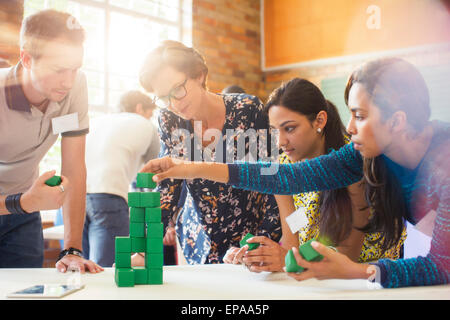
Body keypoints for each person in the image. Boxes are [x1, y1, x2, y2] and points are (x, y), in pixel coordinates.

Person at [141, 57, 449, 288]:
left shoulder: (442, 165)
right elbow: (284, 178)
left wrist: (357, 270)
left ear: (396, 122)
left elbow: (440, 265)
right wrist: (185, 168)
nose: (352, 126)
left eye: (361, 115)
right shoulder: (364, 155)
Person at [223, 78, 406, 272]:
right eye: (275, 131)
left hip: (369, 280)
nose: (280, 142)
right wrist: (261, 256)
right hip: (315, 280)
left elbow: (348, 254)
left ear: (320, 121)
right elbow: (291, 240)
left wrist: (289, 259)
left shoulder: (352, 161)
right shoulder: (283, 166)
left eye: (290, 128)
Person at [135, 40, 281, 265]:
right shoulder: (169, 119)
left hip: (249, 240)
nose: (175, 103)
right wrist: (144, 250)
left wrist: (265, 240)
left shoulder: (248, 110)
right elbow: (167, 187)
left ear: (199, 74)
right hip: (198, 241)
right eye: (164, 97)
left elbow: (271, 177)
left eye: (178, 89)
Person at [0, 9, 102, 273]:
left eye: (75, 68)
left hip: (23, 212)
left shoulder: (75, 84)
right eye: (58, 70)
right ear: (27, 58)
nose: (68, 81)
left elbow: (74, 169)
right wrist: (24, 202)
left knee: (26, 291)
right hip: (22, 202)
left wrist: (72, 250)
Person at [83, 90, 160, 267]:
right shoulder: (146, 126)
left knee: (82, 272)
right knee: (109, 271)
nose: (150, 118)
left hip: (73, 198)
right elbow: (155, 173)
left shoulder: (97, 121)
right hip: (108, 197)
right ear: (140, 108)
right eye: (150, 113)